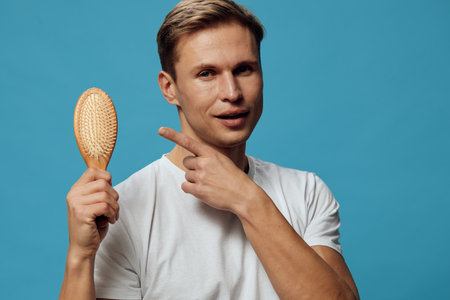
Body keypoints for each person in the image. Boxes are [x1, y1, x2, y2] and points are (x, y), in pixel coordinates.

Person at [59, 0, 359, 299]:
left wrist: (248, 199)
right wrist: (79, 257)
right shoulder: (124, 211)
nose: (232, 93)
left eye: (244, 69)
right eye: (207, 74)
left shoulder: (306, 192)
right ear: (169, 88)